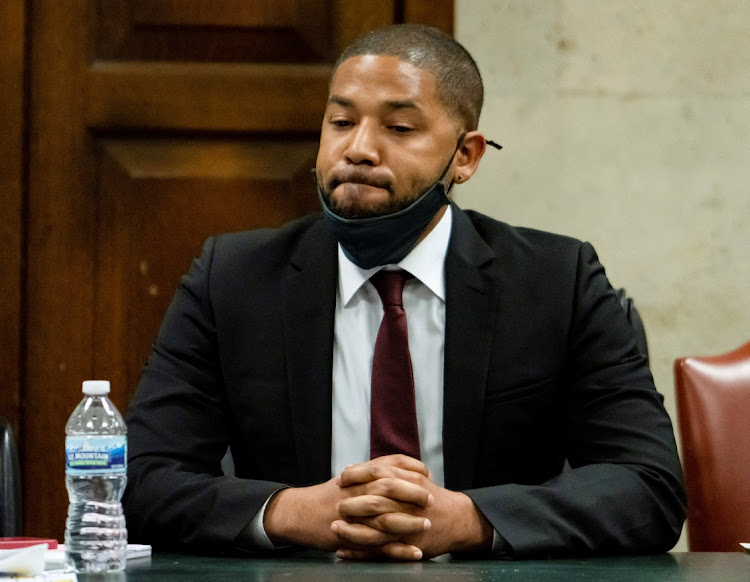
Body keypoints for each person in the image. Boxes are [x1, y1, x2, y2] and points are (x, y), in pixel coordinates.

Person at [123, 24, 686, 560]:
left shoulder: (555, 282)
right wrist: (293, 513)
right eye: (341, 122)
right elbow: (140, 483)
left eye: (399, 128)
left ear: (464, 156)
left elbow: (649, 487)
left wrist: (467, 521)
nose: (359, 149)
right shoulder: (233, 277)